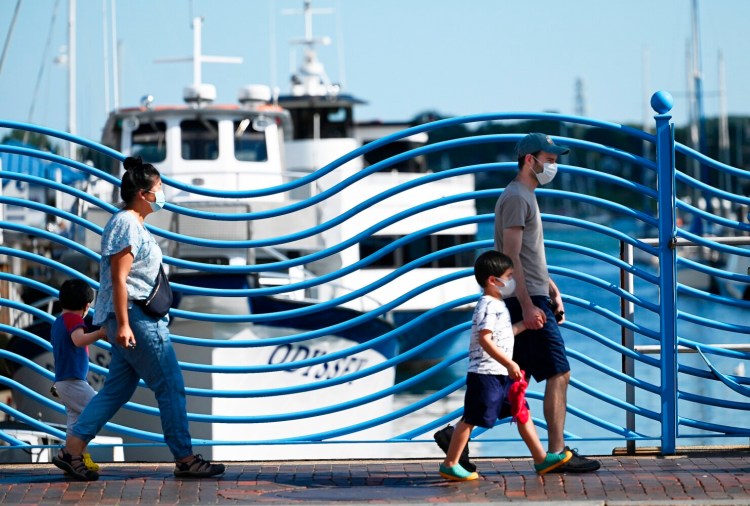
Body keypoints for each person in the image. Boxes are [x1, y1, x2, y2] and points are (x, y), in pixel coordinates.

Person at [52, 156, 225, 481]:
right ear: (144, 193)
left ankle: (71, 451)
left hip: (133, 316)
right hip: (136, 317)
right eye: (159, 187)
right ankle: (185, 458)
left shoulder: (132, 223)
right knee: (171, 387)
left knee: (115, 392)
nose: (163, 193)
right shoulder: (126, 224)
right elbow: (120, 278)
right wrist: (125, 323)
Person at [494, 132, 600, 473]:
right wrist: (528, 305)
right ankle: (556, 454)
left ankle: (455, 437)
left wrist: (552, 288)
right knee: (559, 372)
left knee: (514, 382)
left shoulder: (526, 195)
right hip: (525, 301)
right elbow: (511, 257)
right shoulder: (516, 197)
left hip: (535, 295)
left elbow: (530, 255)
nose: (553, 164)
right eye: (549, 158)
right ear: (530, 160)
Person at [438, 250, 572, 481]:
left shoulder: (499, 305)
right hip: (486, 373)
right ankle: (450, 463)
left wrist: (525, 325)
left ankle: (541, 459)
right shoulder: (488, 305)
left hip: (501, 373)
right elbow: (485, 339)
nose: (513, 281)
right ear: (493, 280)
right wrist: (510, 363)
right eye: (509, 276)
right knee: (471, 418)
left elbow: (505, 336)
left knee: (521, 412)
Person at [51, 278, 108, 472]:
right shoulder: (75, 320)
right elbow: (78, 340)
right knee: (96, 410)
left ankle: (77, 458)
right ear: (86, 306)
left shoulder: (58, 322)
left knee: (75, 423)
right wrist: (100, 333)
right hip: (73, 381)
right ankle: (71, 454)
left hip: (63, 381)